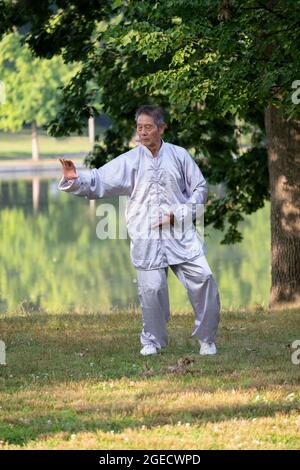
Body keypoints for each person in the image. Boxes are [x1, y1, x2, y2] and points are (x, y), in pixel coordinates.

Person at [58, 105, 221, 356]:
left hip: (181, 234)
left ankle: (207, 339)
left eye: (148, 127)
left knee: (204, 278)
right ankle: (152, 341)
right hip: (147, 238)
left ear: (161, 128)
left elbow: (200, 188)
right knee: (152, 289)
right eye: (139, 128)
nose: (143, 133)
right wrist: (74, 179)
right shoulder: (130, 160)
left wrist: (178, 214)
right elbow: (100, 179)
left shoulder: (179, 156)